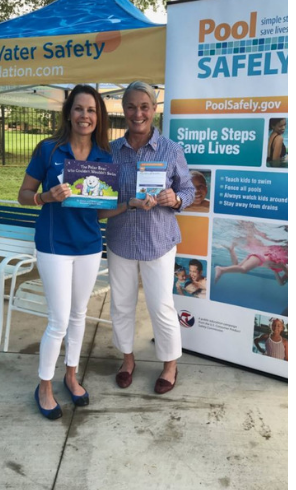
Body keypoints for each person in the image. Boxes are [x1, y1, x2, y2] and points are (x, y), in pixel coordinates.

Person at [17, 84, 140, 419]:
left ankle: (71, 376)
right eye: (79, 109)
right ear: (68, 113)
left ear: (98, 117)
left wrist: (128, 204)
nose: (85, 116)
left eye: (92, 110)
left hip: (87, 245)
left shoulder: (104, 158)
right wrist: (45, 197)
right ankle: (44, 385)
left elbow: (99, 210)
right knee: (58, 320)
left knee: (78, 315)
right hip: (55, 245)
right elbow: (24, 194)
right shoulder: (49, 150)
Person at [106, 81, 196, 395]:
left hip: (158, 241)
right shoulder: (112, 151)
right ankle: (127, 360)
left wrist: (175, 198)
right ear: (123, 109)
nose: (137, 113)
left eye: (144, 106)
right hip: (120, 240)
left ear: (154, 109)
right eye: (130, 106)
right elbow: (103, 198)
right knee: (121, 305)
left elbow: (189, 191)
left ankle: (170, 365)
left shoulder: (171, 150)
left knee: (161, 305)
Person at [214, 221, 288, 286]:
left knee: (239, 268)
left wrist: (276, 270)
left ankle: (231, 251)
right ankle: (221, 269)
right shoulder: (281, 259)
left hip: (260, 256)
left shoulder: (281, 262)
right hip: (261, 257)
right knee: (243, 269)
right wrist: (282, 267)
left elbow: (282, 283)